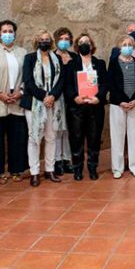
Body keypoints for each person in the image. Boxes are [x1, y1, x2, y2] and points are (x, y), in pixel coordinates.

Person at [0, 20, 28, 184]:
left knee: (17, 137)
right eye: (4, 31)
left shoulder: (22, 52)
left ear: (15, 34)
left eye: (10, 31)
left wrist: (20, 92)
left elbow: (27, 76)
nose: (8, 34)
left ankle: (16, 169)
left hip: (16, 101)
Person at [21, 30, 65, 187]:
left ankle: (50, 169)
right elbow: (28, 81)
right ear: (36, 41)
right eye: (41, 39)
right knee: (34, 138)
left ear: (51, 42)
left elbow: (61, 80)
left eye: (47, 39)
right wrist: (44, 96)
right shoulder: (30, 58)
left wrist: (52, 96)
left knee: (51, 136)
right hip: (34, 103)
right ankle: (34, 172)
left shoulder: (57, 58)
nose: (44, 42)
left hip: (53, 103)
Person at [64, 33, 107, 181]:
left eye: (87, 42)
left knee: (94, 138)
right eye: (81, 42)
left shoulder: (99, 63)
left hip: (95, 107)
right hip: (77, 108)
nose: (84, 44)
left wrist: (99, 98)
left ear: (91, 45)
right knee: (76, 138)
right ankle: (77, 169)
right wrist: (75, 97)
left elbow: (104, 84)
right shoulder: (71, 64)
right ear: (77, 46)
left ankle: (93, 167)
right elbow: (67, 85)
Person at [107, 34, 135, 178]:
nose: (127, 47)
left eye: (130, 44)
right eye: (124, 45)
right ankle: (117, 168)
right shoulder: (113, 63)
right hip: (118, 105)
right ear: (119, 47)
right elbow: (110, 84)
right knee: (117, 136)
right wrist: (121, 101)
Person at [53, 27, 75, 176]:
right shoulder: (52, 57)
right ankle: (56, 160)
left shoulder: (75, 57)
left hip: (72, 98)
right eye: (61, 39)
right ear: (56, 40)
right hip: (57, 97)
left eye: (67, 39)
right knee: (57, 130)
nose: (64, 41)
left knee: (69, 130)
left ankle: (67, 159)